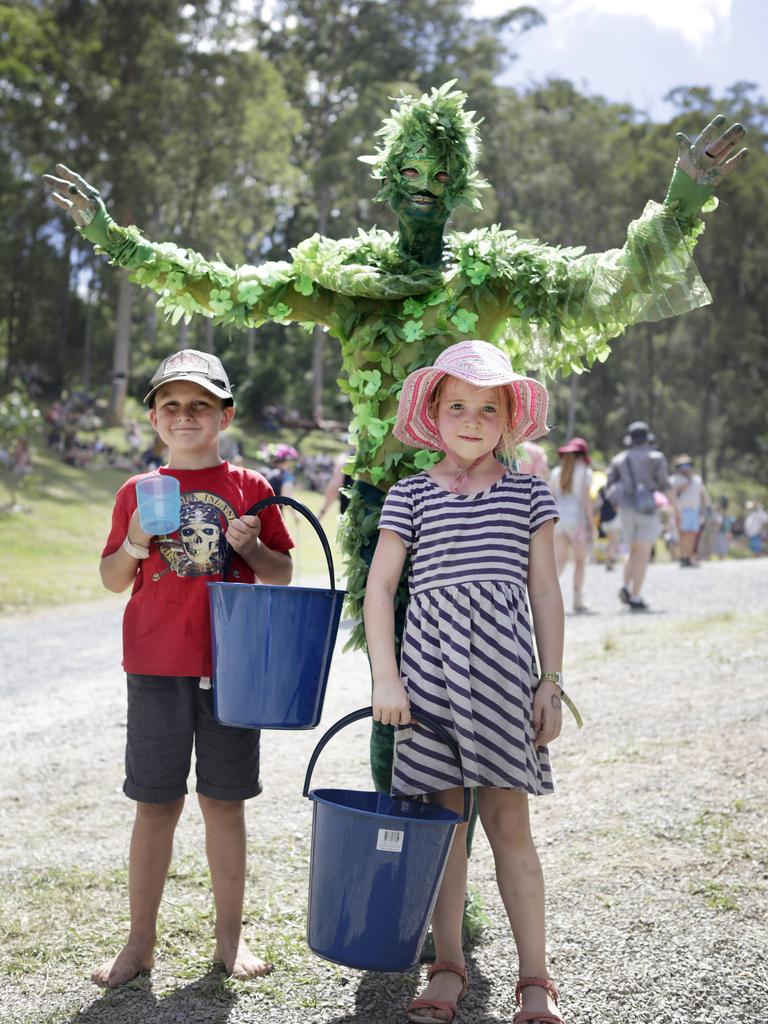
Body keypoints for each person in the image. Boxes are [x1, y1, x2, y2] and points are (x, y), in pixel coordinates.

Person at [43, 84, 746, 840]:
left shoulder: (489, 272)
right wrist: (115, 239)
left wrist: (682, 200)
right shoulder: (350, 281)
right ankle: (409, 870)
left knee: (482, 689)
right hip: (385, 507)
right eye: (409, 174)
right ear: (388, 180)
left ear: (460, 181)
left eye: (441, 176)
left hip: (479, 508)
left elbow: (608, 282)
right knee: (396, 689)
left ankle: (451, 883)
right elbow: (229, 289)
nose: (424, 189)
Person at [365, 340, 578, 1024]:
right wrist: (386, 680)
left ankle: (536, 981)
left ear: (510, 419)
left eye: (489, 407)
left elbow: (546, 593)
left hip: (504, 682)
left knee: (510, 824)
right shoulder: (411, 495)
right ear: (433, 411)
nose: (472, 418)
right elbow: (379, 591)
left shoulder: (528, 494)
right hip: (429, 687)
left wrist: (550, 681)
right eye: (457, 404)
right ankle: (448, 965)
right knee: (445, 828)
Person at [97, 348, 294, 989]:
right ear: (154, 417)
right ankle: (139, 943)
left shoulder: (252, 489)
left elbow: (283, 572)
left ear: (225, 415)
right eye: (172, 405)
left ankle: (230, 942)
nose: (186, 416)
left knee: (224, 803)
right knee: (155, 804)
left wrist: (253, 547)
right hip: (155, 664)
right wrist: (134, 543)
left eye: (201, 405)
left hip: (234, 667)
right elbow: (111, 578)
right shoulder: (136, 492)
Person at [606, 421, 678, 612]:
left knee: (632, 550)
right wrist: (675, 509)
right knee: (644, 553)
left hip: (626, 509)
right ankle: (636, 596)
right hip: (647, 508)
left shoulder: (619, 459)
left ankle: (626, 586)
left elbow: (609, 485)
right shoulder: (656, 458)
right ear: (647, 438)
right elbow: (665, 484)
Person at [549, 437, 593, 613]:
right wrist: (591, 524)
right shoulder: (585, 472)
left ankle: (548, 598)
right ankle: (577, 599)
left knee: (559, 562)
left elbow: (551, 496)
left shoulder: (556, 472)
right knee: (580, 560)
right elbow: (586, 500)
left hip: (558, 517)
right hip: (576, 519)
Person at [670, 454, 710, 566]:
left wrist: (706, 506)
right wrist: (682, 487)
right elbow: (672, 495)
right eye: (682, 465)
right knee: (682, 535)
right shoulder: (674, 480)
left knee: (692, 535)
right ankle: (682, 557)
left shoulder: (697, 479)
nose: (685, 468)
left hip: (694, 510)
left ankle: (689, 556)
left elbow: (702, 494)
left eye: (687, 465)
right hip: (681, 511)